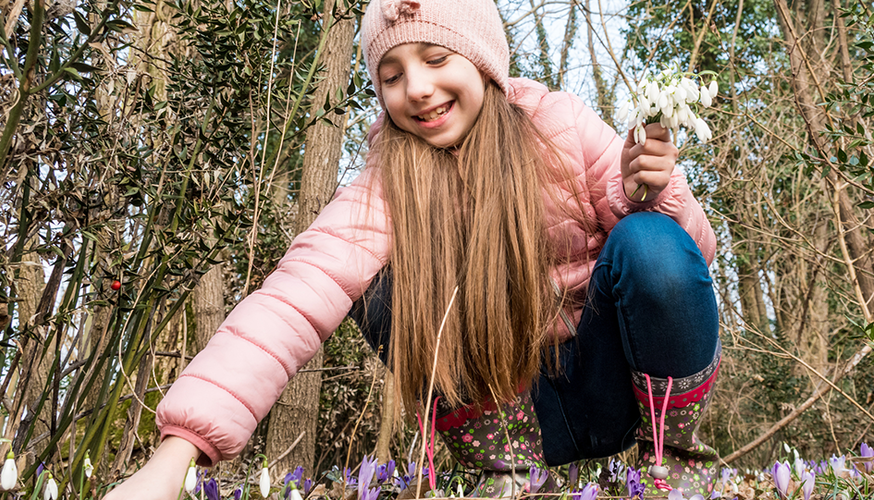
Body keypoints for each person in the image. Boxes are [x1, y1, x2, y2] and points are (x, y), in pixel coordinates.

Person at [103, 0, 720, 498]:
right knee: (376, 287)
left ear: (482, 61)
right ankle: (508, 474)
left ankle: (677, 462)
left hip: (618, 385)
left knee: (649, 240)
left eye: (435, 58)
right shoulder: (385, 183)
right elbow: (291, 301)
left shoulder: (559, 123)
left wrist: (654, 197)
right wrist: (178, 451)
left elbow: (691, 258)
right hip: (508, 404)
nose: (417, 90)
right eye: (391, 76)